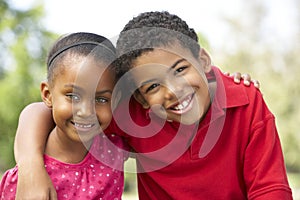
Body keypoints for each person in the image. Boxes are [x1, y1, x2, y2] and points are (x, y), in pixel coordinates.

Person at [13, 13, 266, 200]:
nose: (173, 90)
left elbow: (269, 188)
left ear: (203, 59)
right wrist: (31, 167)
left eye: (180, 69)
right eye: (153, 86)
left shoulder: (245, 98)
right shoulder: (125, 114)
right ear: (142, 99)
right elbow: (41, 110)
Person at [0, 32, 128, 200]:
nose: (86, 111)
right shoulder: (25, 180)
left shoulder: (114, 148)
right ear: (48, 95)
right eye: (73, 96)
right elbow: (34, 111)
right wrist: (31, 166)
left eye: (101, 99)